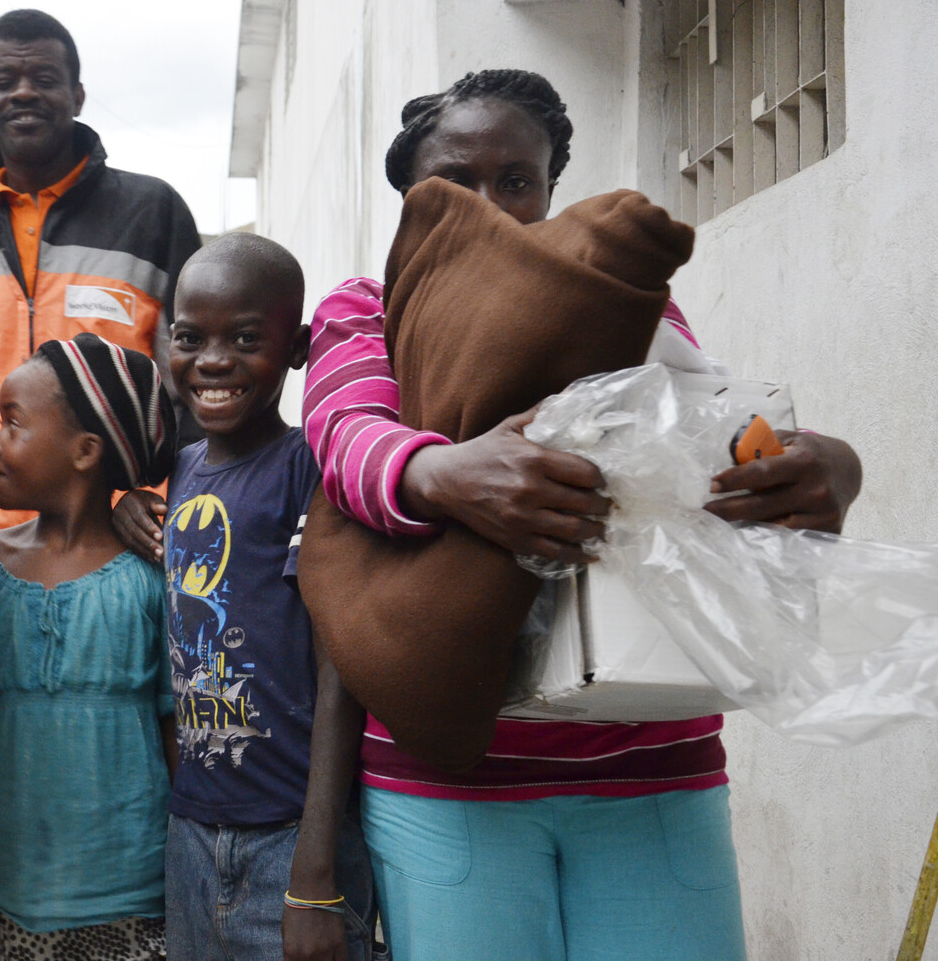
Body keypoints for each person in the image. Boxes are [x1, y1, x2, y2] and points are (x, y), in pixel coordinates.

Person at [301, 69, 863, 961]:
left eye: (517, 180)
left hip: (652, 764)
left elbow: (706, 436)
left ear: (552, 187)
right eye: (454, 181)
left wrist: (824, 463)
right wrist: (445, 472)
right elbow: (345, 440)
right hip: (450, 781)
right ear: (411, 198)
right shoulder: (368, 312)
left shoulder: (623, 301)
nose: (490, 203)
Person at [112, 235, 378, 961]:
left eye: (246, 339)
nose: (215, 360)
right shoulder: (182, 467)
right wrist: (122, 506)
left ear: (296, 348)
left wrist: (316, 873)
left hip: (293, 838)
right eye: (191, 338)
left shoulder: (310, 468)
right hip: (192, 832)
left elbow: (338, 673)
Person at [0, 8, 203, 531]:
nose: (23, 93)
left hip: (118, 541)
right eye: (4, 82)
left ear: (78, 96)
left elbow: (196, 383)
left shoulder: (152, 214)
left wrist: (158, 497)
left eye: (44, 79)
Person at [0, 333, 176, 961]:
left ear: (85, 451)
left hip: (141, 906)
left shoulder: (152, 578)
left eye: (13, 423)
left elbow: (178, 744)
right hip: (8, 906)